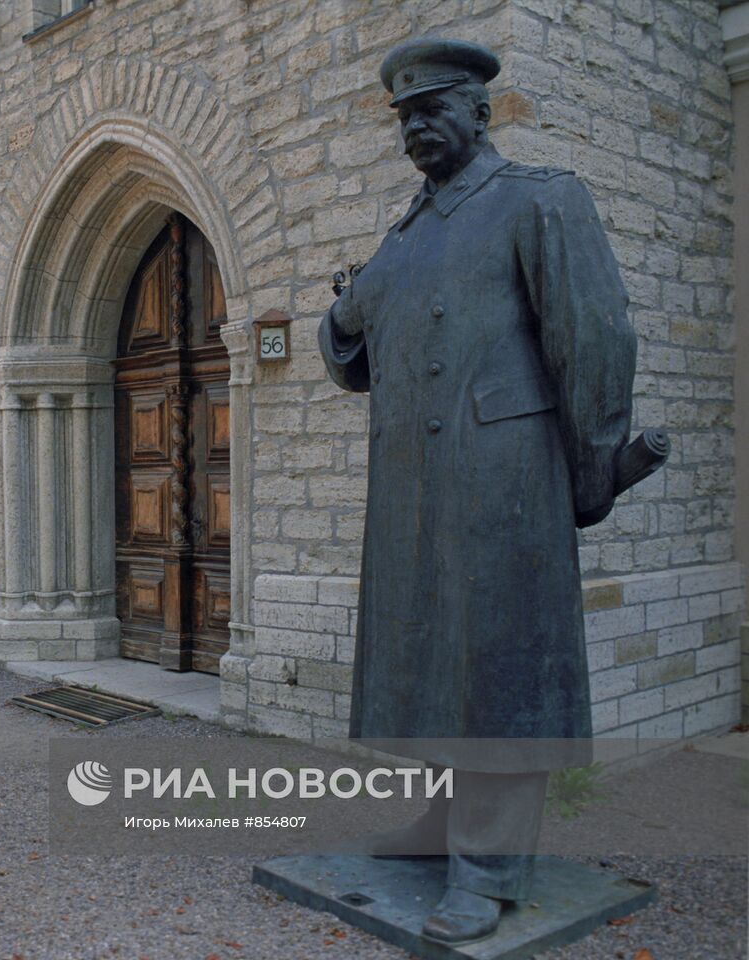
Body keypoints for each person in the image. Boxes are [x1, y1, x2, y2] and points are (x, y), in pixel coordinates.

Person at [317, 39, 636, 945]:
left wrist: (593, 470)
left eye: (435, 107)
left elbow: (597, 339)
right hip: (415, 487)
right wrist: (340, 315)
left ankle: (490, 865)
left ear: (481, 110)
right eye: (405, 115)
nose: (417, 125)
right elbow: (350, 359)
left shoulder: (540, 200)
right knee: (427, 661)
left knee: (498, 669)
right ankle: (437, 825)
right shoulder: (406, 234)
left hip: (504, 478)